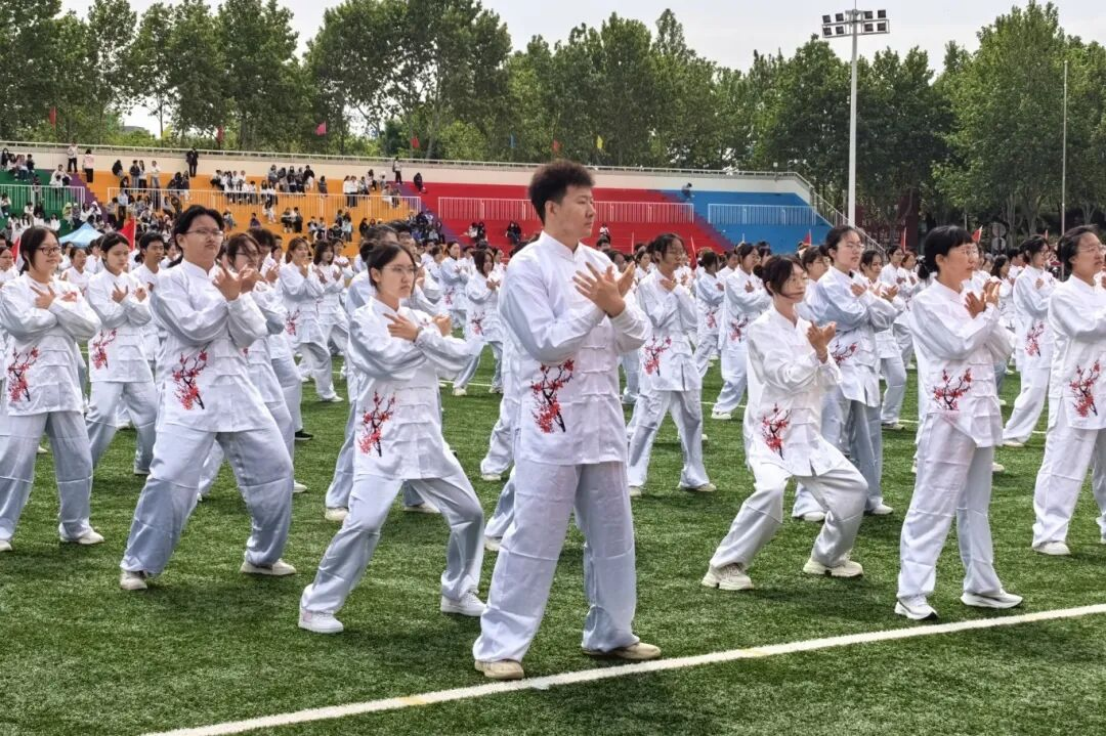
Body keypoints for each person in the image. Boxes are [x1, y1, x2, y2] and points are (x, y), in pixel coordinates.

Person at [473, 161, 659, 682]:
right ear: (551, 208)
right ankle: (499, 645)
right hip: (550, 422)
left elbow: (635, 335)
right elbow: (547, 343)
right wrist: (600, 308)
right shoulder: (526, 268)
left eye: (592, 202)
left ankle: (612, 632)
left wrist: (616, 307)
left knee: (614, 535)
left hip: (602, 418)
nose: (592, 211)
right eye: (581, 201)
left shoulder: (599, 262)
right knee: (533, 536)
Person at [298, 242, 485, 634]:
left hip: (426, 437)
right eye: (397, 269)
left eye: (411, 269)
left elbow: (460, 357)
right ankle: (316, 604)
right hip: (381, 438)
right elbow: (388, 363)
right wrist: (427, 339)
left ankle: (457, 590)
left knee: (470, 513)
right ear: (375, 274)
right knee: (364, 523)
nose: (406, 277)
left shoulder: (418, 317)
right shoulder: (363, 320)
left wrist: (422, 335)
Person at [118, 207, 296, 591]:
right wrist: (229, 299)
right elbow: (194, 330)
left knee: (276, 468)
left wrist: (236, 297)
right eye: (202, 231)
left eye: (216, 231)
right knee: (169, 477)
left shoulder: (228, 278)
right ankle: (138, 563)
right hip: (189, 391)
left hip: (237, 387)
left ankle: (262, 557)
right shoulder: (168, 282)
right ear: (181, 239)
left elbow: (252, 331)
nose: (212, 237)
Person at [703, 256, 868, 591]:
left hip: (806, 431)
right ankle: (723, 566)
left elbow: (831, 378)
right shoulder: (761, 328)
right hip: (771, 432)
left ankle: (828, 557)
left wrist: (822, 353)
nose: (800, 283)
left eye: (802, 277)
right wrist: (816, 353)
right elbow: (785, 378)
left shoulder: (806, 325)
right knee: (771, 491)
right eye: (792, 279)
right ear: (771, 286)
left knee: (854, 488)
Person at [895, 226, 1021, 621]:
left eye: (974, 250)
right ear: (940, 259)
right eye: (964, 251)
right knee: (932, 503)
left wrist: (985, 314)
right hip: (949, 413)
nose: (973, 257)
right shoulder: (925, 303)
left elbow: (1004, 348)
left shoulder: (975, 295)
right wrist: (986, 315)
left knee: (976, 506)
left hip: (980, 411)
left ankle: (981, 585)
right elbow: (957, 344)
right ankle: (911, 592)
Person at [0, 227, 103, 553]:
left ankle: (75, 525)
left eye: (56, 248)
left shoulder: (67, 288)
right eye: (45, 249)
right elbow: (21, 325)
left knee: (78, 458)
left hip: (64, 381)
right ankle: (2, 527)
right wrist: (61, 313)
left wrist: (54, 306)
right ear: (27, 253)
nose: (53, 254)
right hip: (28, 383)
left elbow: (90, 327)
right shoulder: (12, 289)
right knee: (15, 459)